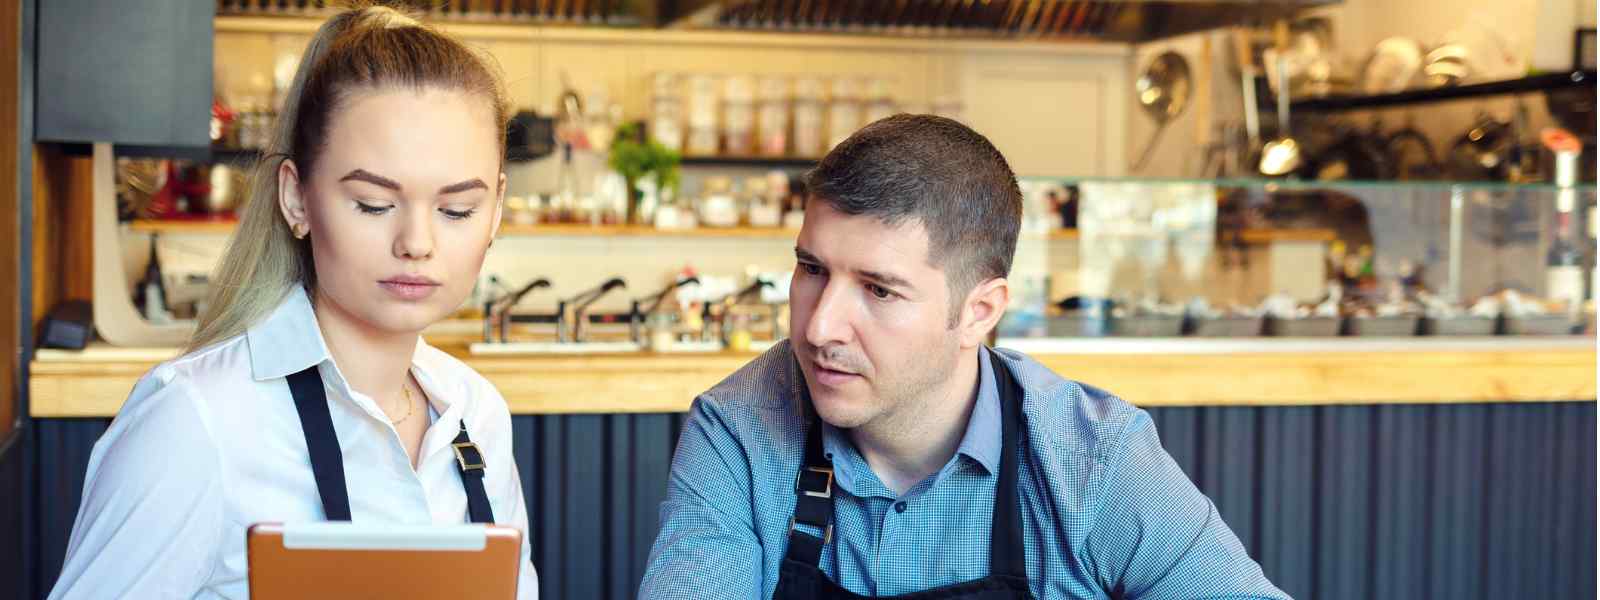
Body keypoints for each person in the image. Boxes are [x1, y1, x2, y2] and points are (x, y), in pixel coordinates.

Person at [639, 114, 1288, 600]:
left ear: (979, 312)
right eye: (812, 269)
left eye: (878, 289)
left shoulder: (1091, 459)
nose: (819, 326)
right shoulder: (739, 429)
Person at [48, 6, 538, 598]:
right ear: (296, 198)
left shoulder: (476, 413)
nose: (417, 243)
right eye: (374, 204)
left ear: (496, 210)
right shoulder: (196, 420)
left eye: (456, 210)